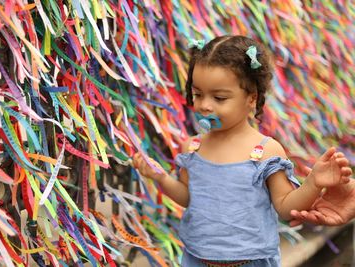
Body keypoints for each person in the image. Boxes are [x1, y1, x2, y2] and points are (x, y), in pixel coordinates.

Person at [133, 35, 353, 267]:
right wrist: (161, 178)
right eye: (198, 94)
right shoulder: (194, 147)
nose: (205, 105)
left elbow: (286, 208)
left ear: (251, 98)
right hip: (195, 258)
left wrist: (313, 183)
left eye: (219, 97)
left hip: (250, 262)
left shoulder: (265, 150)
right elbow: (190, 197)